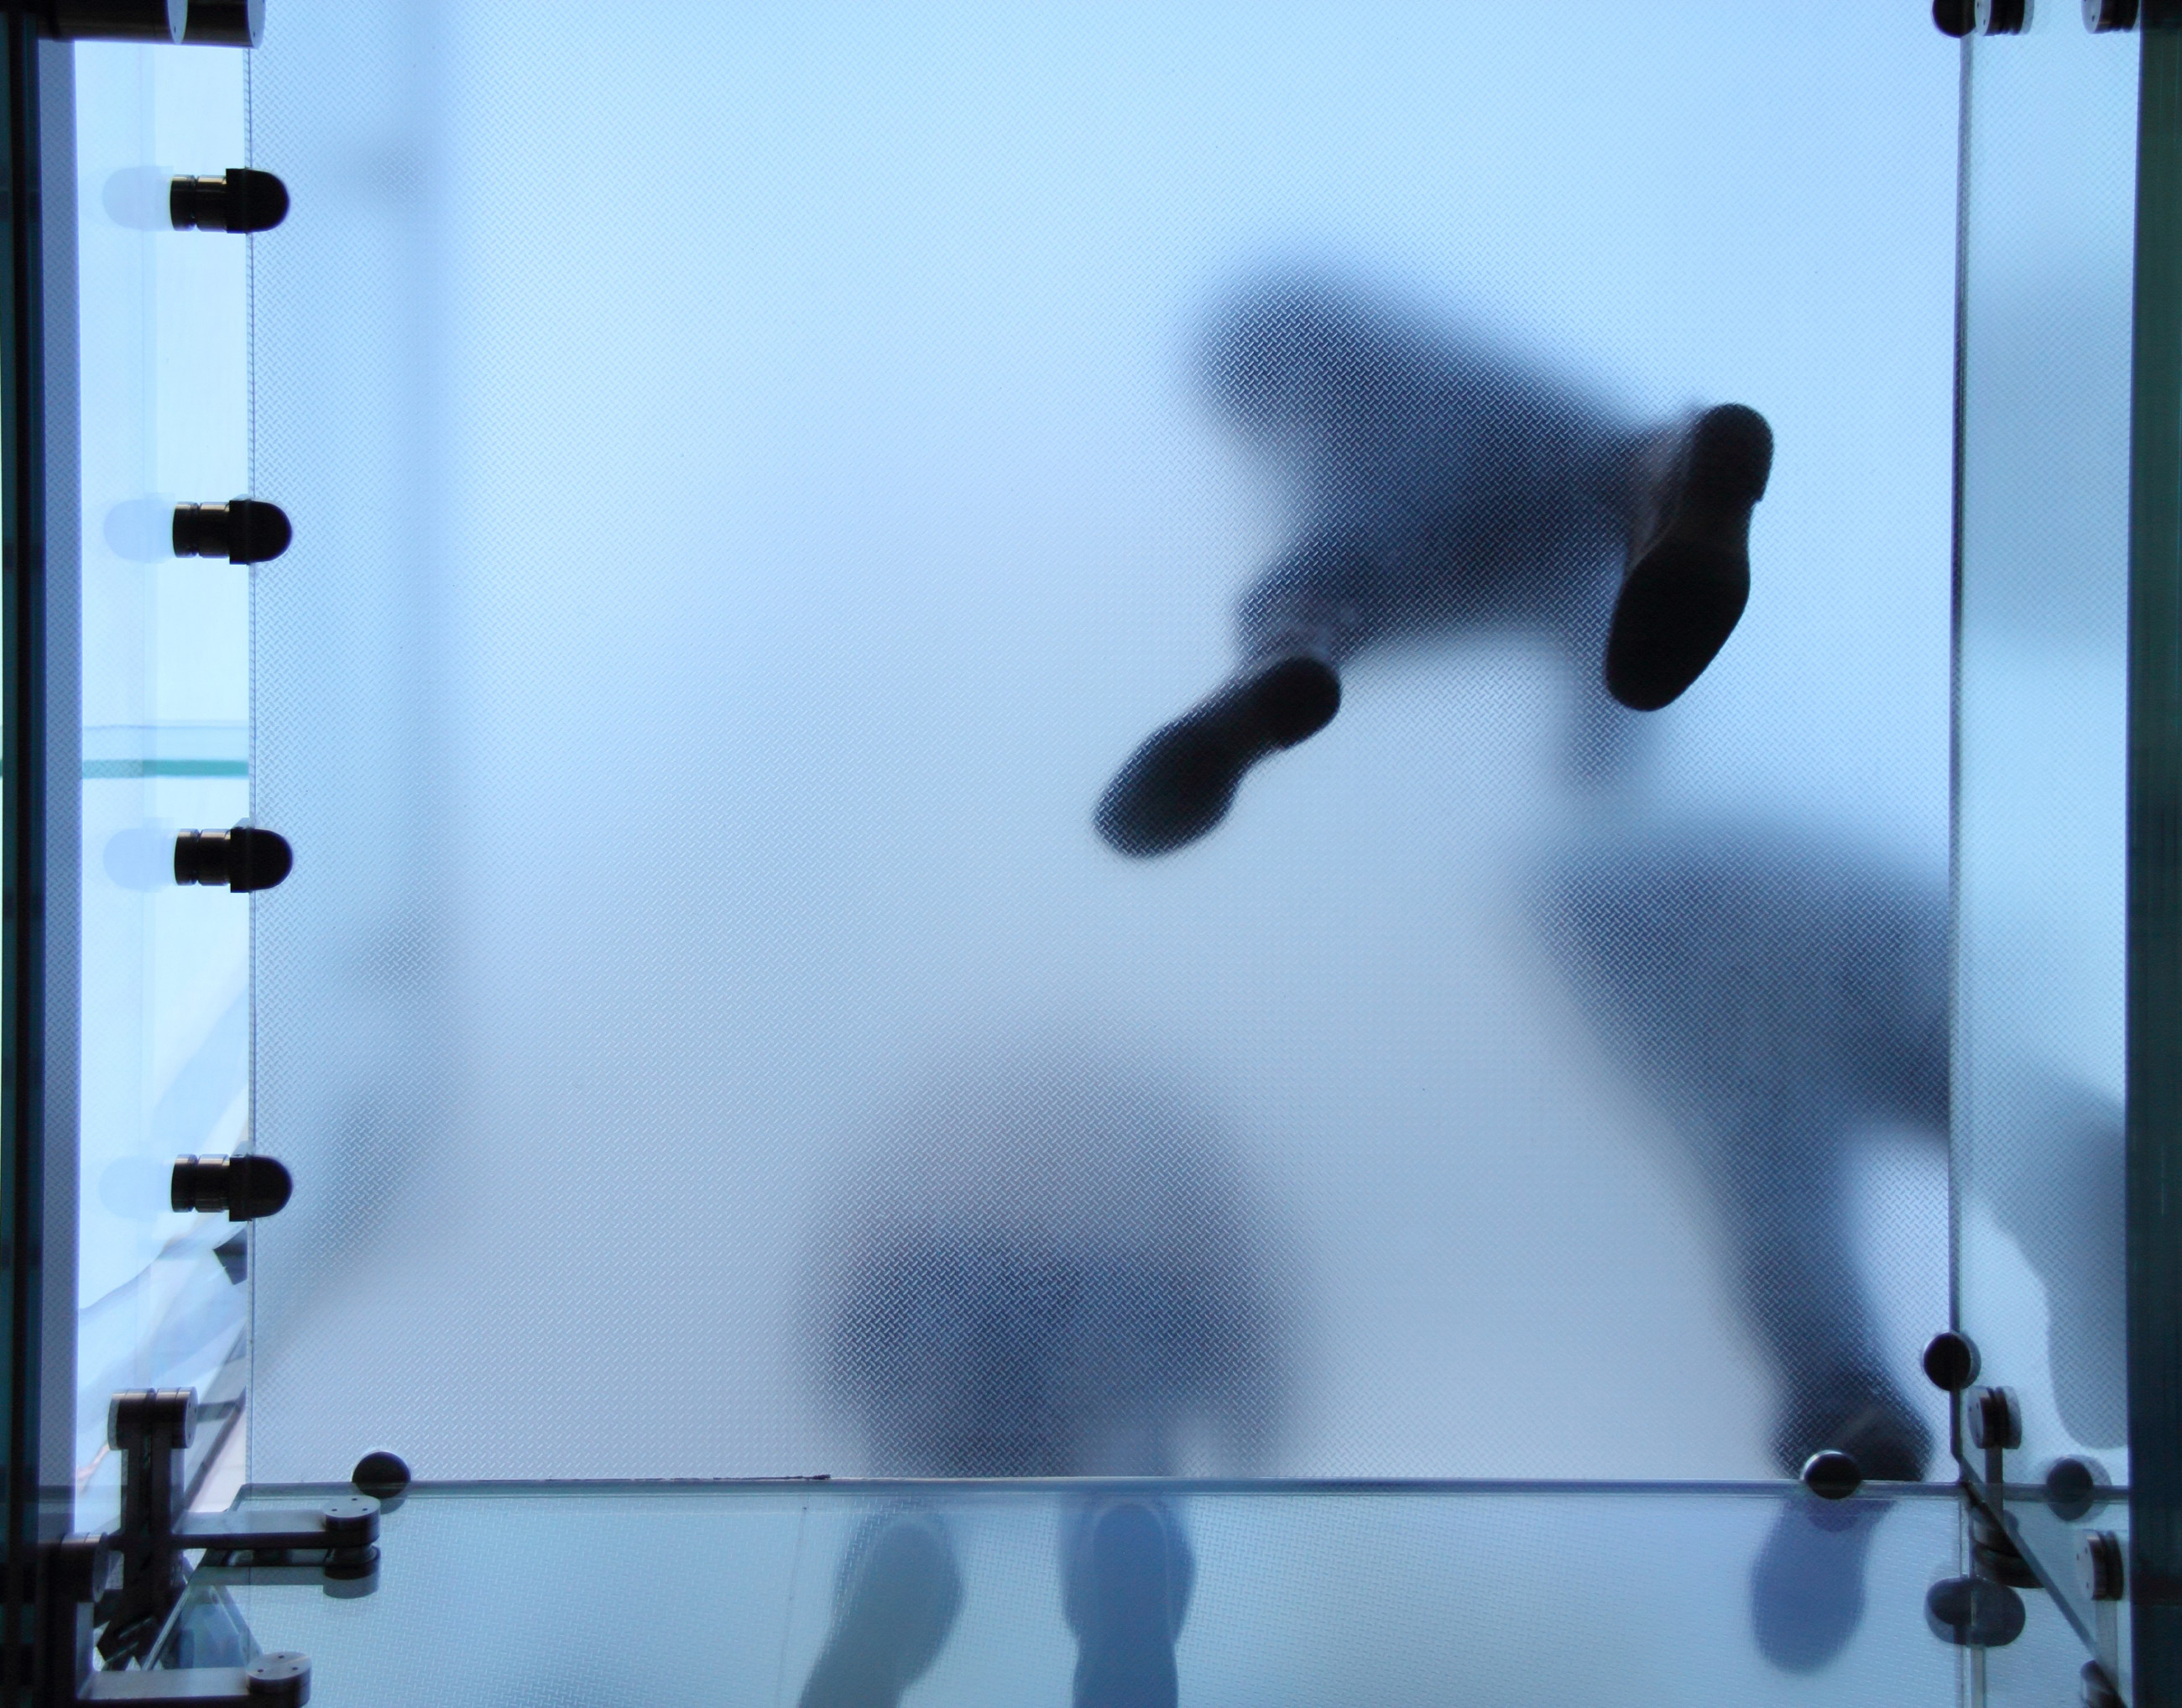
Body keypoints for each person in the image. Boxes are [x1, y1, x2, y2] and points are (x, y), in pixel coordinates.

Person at [798, 1056, 1287, 1708]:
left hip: (954, 1292)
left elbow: (859, 1285)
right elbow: (1235, 1284)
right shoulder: (1148, 1124)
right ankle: (1130, 1531)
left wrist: (848, 1360)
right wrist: (1256, 1411)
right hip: (1123, 1300)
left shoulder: (955, 1109)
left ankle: (905, 1543)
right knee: (1135, 1453)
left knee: (915, 1458)